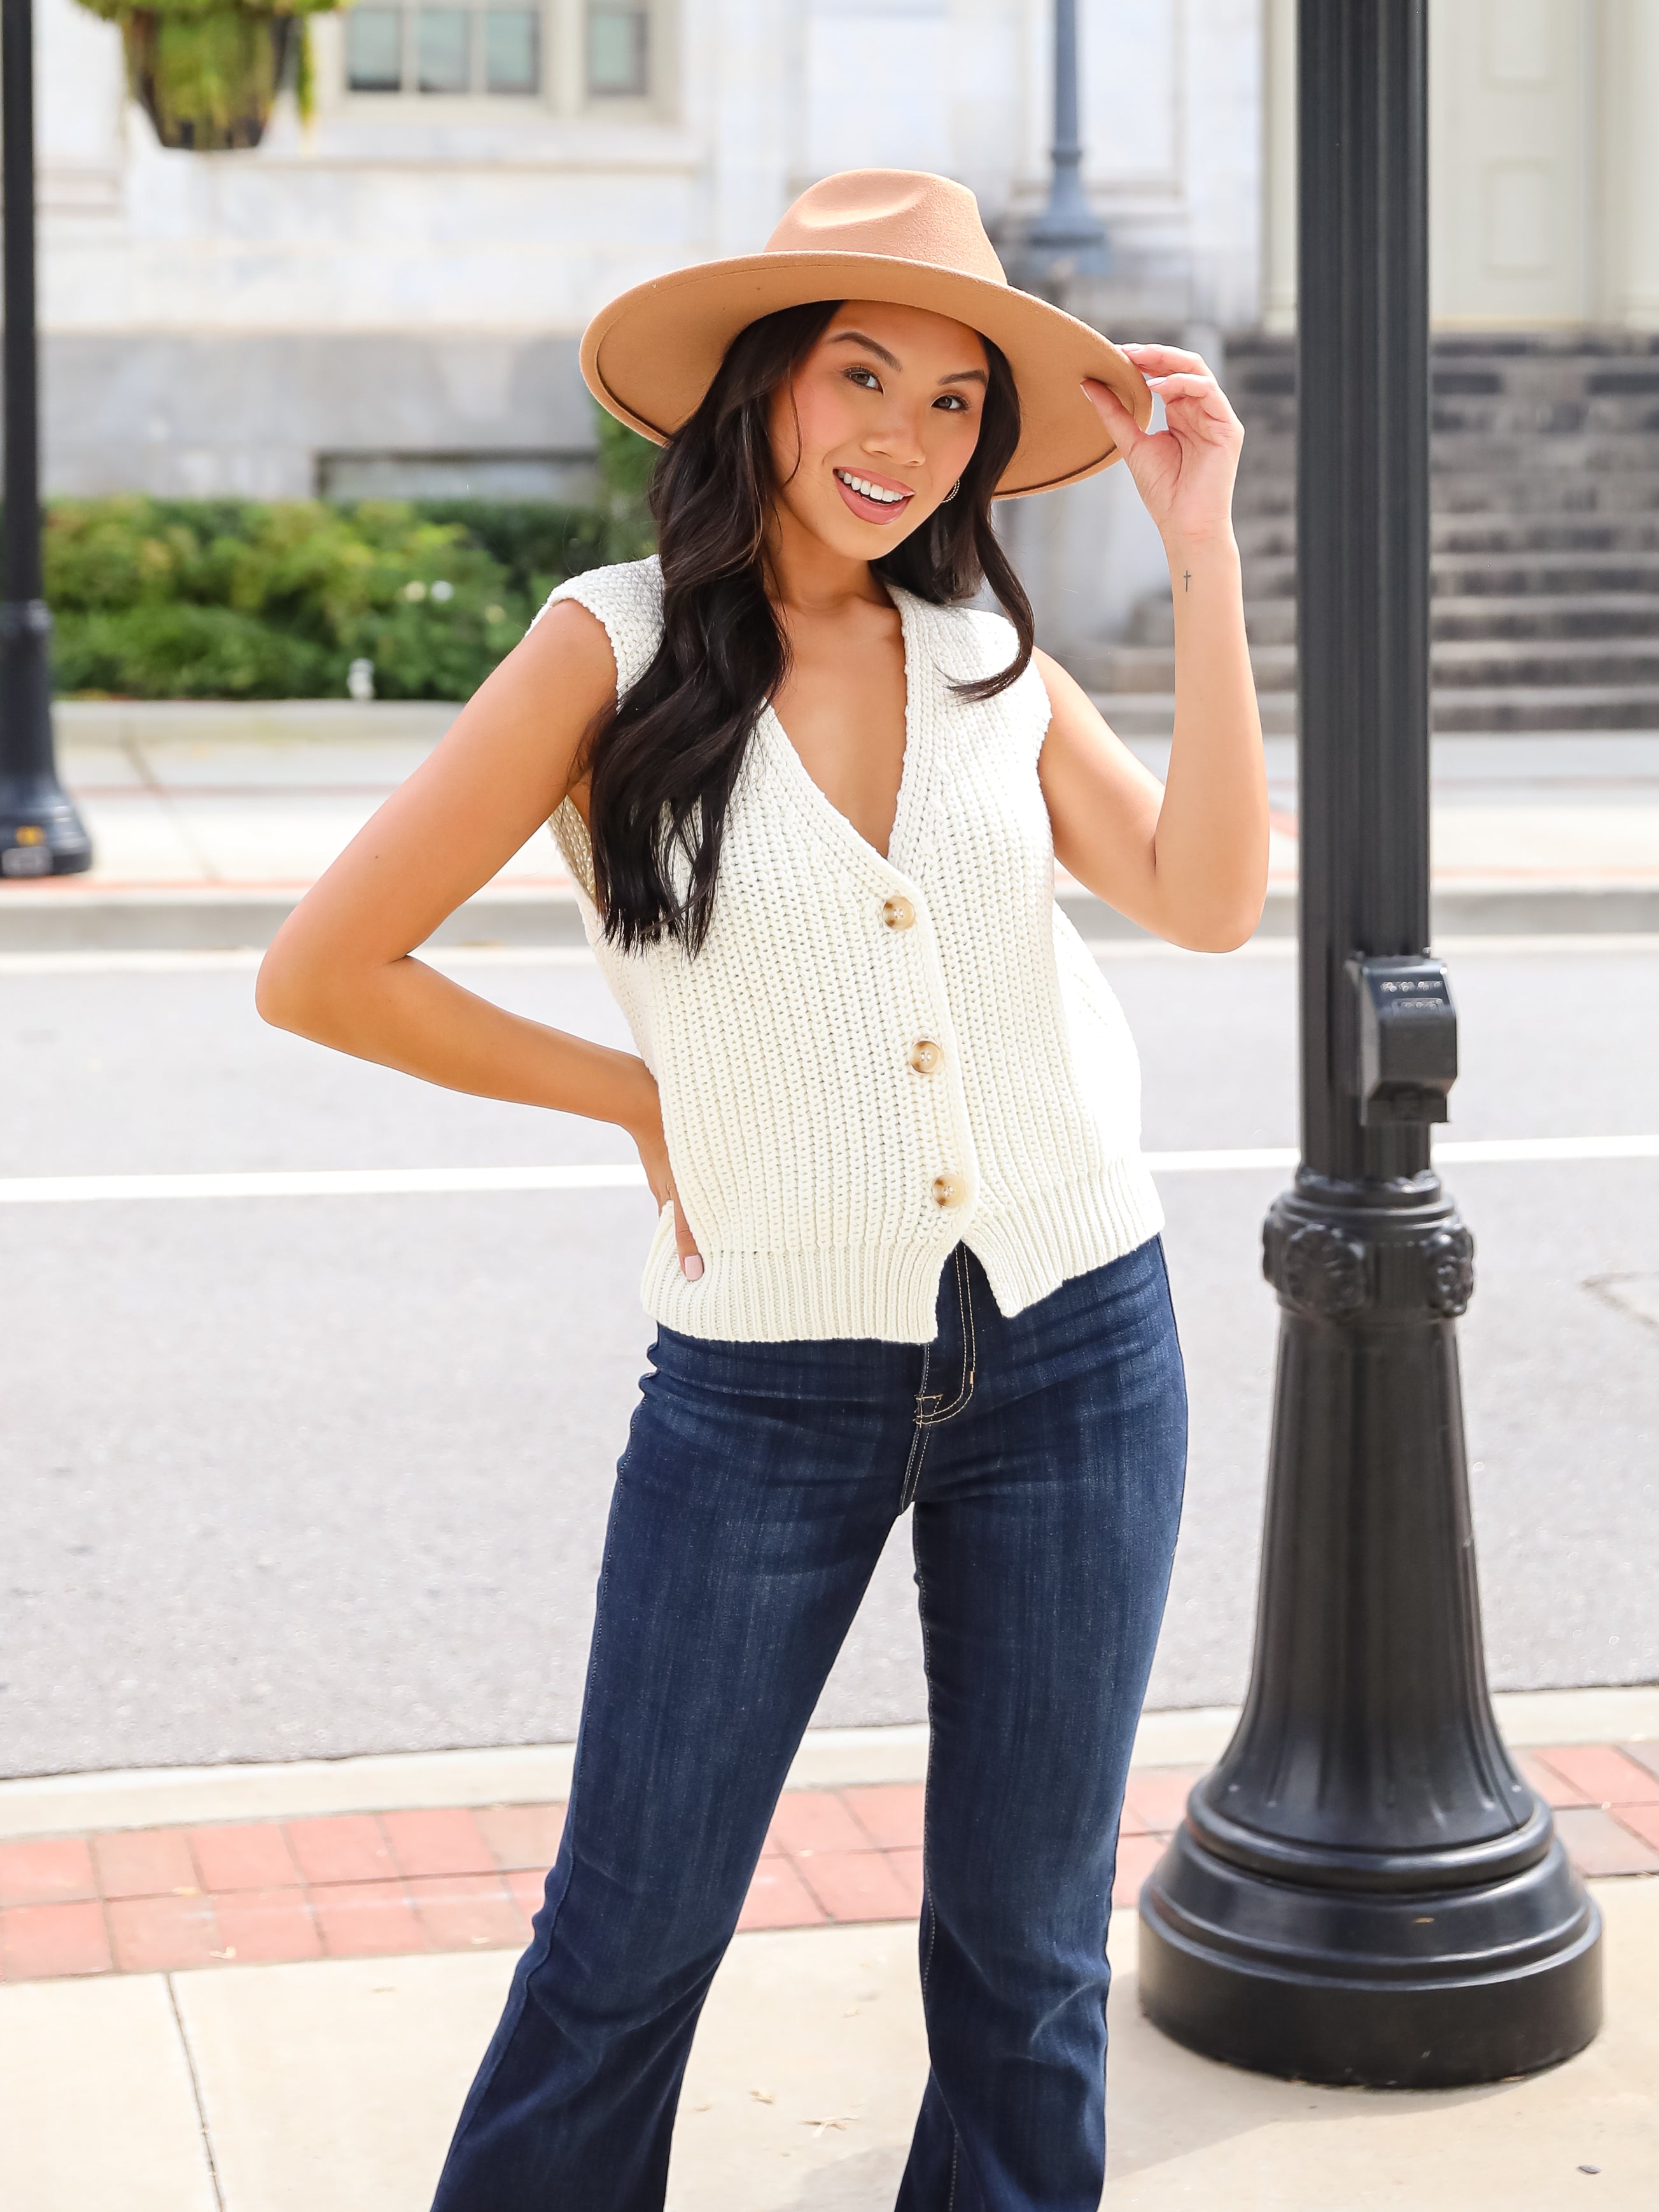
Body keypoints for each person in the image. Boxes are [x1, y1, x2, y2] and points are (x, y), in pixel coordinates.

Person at [256, 169, 1267, 2211]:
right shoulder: (606, 648)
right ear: (760, 389)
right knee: (623, 1945)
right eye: (858, 376)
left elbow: (1209, 899)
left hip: (1081, 1342)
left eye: (956, 402)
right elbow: (327, 969)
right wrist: (639, 1098)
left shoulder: (986, 655)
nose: (905, 437)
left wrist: (1200, 548)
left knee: (1029, 1959)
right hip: (766, 1384)